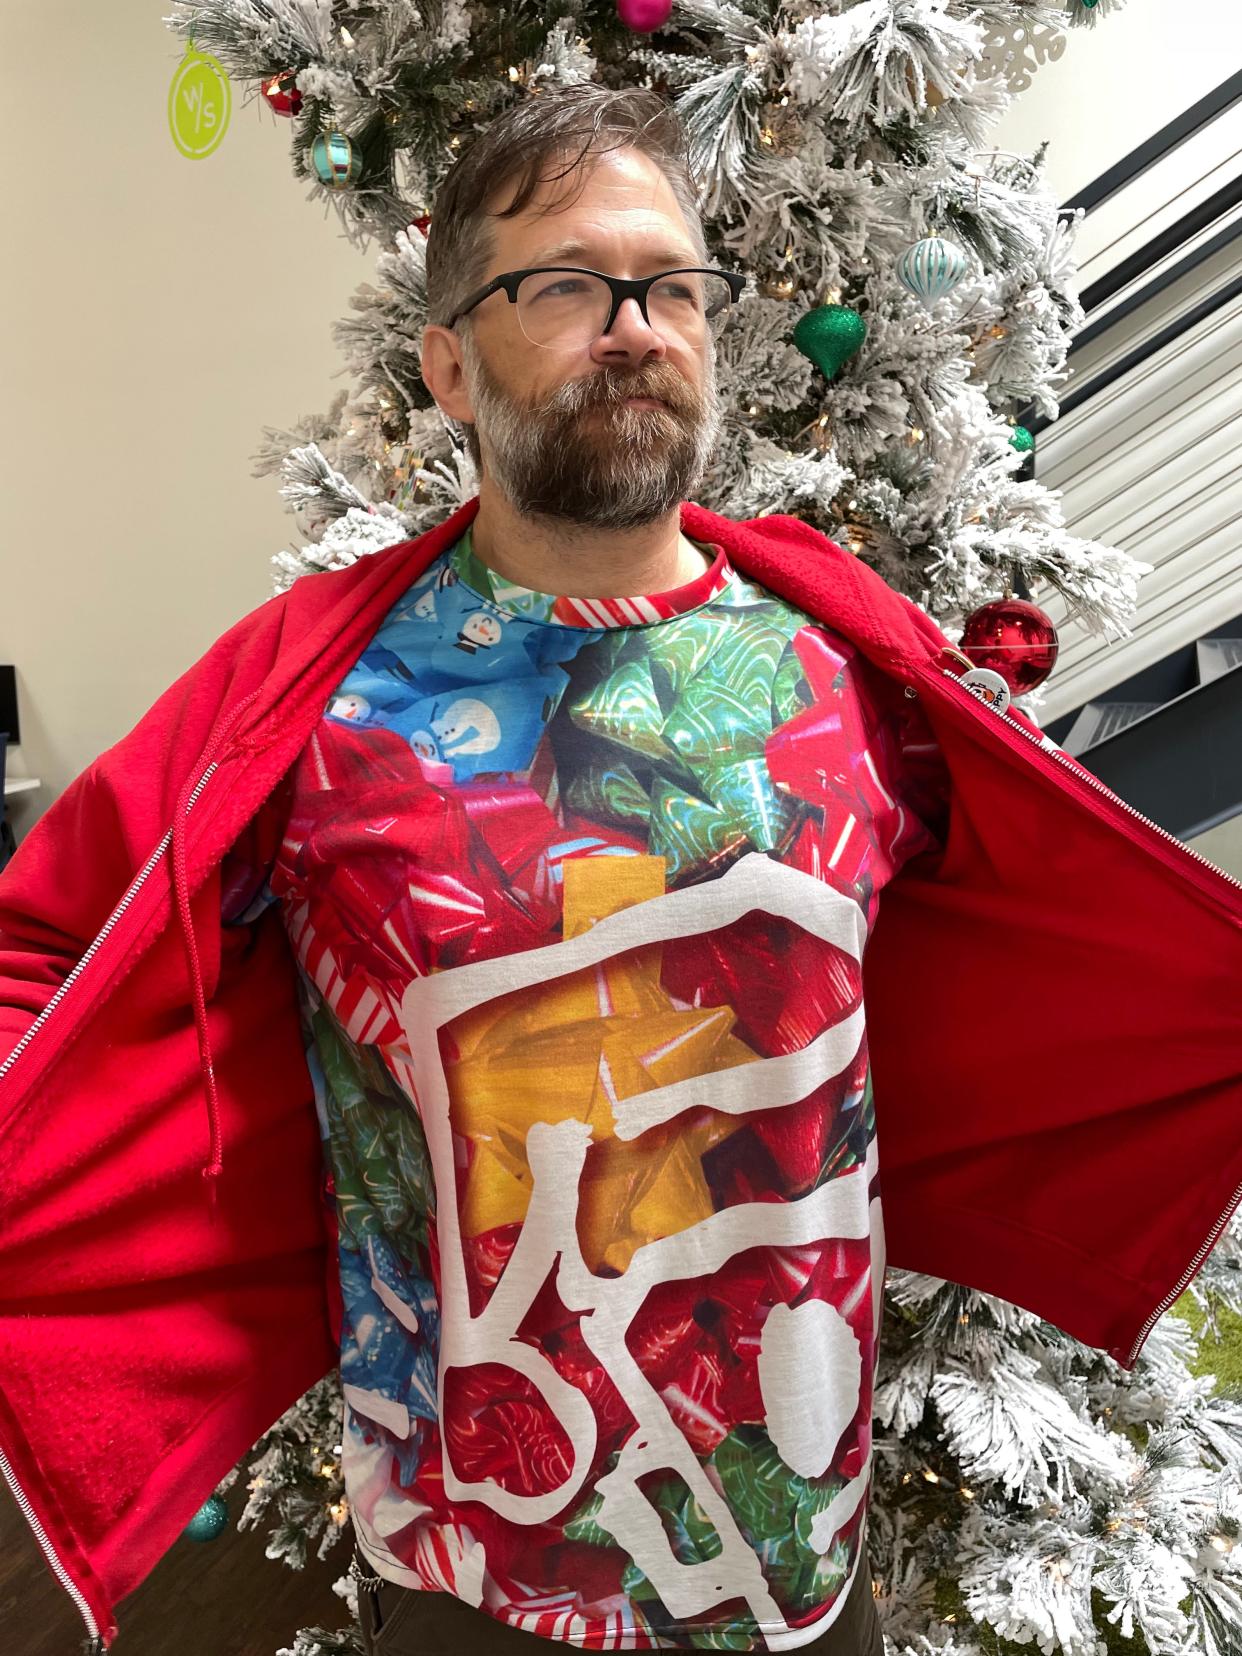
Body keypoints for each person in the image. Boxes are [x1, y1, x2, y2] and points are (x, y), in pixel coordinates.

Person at [1, 84, 1239, 1656]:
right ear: (447, 361)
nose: (633, 324)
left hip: (799, 1548)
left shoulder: (847, 668)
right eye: (563, 285)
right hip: (474, 1571)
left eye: (669, 285)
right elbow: (41, 947)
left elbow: (1030, 940)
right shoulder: (306, 700)